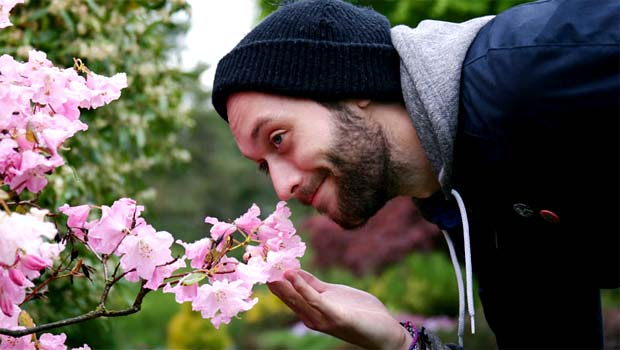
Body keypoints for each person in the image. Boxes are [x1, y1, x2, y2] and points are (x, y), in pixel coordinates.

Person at [211, 0, 620, 348]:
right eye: (265, 167)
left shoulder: (530, 68)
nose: (283, 187)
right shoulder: (472, 206)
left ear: (352, 82)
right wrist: (397, 341)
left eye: (279, 138)